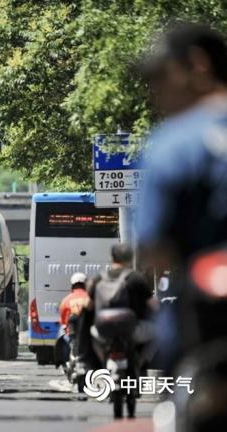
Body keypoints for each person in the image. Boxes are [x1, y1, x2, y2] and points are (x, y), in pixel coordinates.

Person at [138, 23, 227, 371]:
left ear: (197, 65)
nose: (153, 90)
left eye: (160, 76)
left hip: (203, 335)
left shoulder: (174, 143)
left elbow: (155, 249)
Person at [85, 244, 157, 371]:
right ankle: (140, 362)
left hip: (103, 330)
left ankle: (96, 363)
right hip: (132, 330)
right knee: (156, 333)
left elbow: (87, 306)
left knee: (89, 332)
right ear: (130, 259)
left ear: (112, 258)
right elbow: (153, 305)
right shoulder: (136, 278)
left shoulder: (98, 279)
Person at [56, 272, 89, 366]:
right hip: (87, 332)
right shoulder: (90, 298)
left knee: (61, 335)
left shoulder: (66, 300)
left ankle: (62, 361)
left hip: (72, 332)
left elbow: (62, 321)